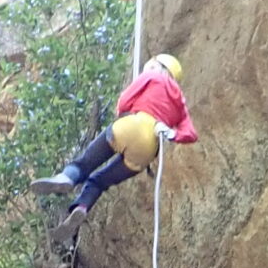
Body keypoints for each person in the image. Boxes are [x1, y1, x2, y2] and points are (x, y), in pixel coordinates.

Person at [36, 53, 197, 221]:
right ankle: (81, 207)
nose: (147, 69)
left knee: (84, 164)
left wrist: (123, 113)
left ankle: (66, 178)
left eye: (151, 66)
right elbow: (190, 134)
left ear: (161, 68)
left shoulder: (152, 76)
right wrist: (171, 133)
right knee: (99, 181)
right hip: (148, 149)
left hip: (131, 126)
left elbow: (124, 101)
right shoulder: (180, 102)